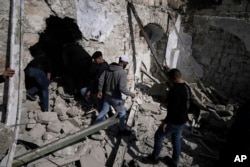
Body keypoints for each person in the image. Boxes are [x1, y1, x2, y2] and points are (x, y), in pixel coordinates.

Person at [146, 68, 191, 167]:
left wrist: (165, 122)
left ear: (174, 78)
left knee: (159, 135)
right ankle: (174, 161)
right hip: (183, 120)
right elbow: (188, 104)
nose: (169, 82)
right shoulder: (187, 87)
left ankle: (154, 158)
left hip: (174, 121)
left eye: (170, 79)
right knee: (176, 139)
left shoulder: (174, 90)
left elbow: (172, 109)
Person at [95, 55, 135, 135]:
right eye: (126, 63)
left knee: (104, 111)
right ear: (125, 63)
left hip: (106, 95)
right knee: (122, 112)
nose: (126, 65)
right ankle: (122, 130)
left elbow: (101, 79)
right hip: (115, 98)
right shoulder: (122, 73)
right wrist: (131, 94)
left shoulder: (108, 69)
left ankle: (94, 128)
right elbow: (122, 88)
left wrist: (100, 91)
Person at [24, 46, 51, 112]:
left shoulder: (33, 57)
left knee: (40, 84)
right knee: (44, 87)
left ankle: (30, 92)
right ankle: (45, 108)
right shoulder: (46, 58)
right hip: (38, 72)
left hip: (28, 71)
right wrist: (48, 81)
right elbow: (49, 71)